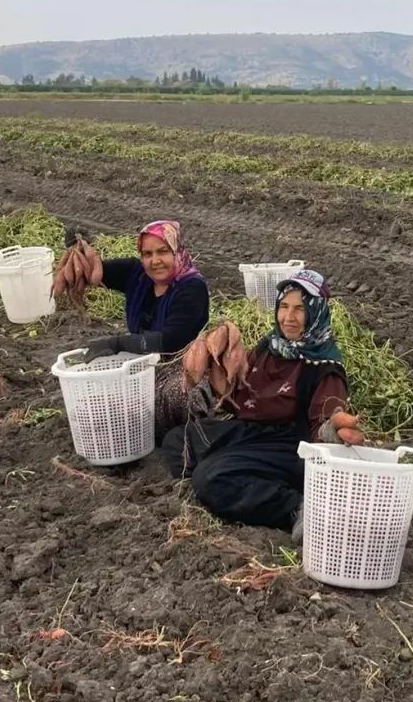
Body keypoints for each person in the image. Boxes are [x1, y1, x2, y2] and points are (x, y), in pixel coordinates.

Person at [161, 269, 364, 538]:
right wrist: (217, 368)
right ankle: (229, 482)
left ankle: (296, 507)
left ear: (316, 313)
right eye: (284, 307)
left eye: (300, 309)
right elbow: (241, 391)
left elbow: (323, 423)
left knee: (209, 477)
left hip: (288, 446)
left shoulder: (325, 368)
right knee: (178, 440)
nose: (288, 317)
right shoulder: (271, 346)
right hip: (250, 430)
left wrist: (333, 428)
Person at [81, 220, 210, 437]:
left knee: (182, 395)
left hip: (181, 368)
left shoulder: (192, 287)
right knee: (99, 397)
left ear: (177, 251)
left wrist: (117, 344)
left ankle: (183, 437)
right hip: (142, 364)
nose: (155, 261)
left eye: (163, 252)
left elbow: (171, 341)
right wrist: (79, 249)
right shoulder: (137, 274)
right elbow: (95, 271)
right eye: (147, 254)